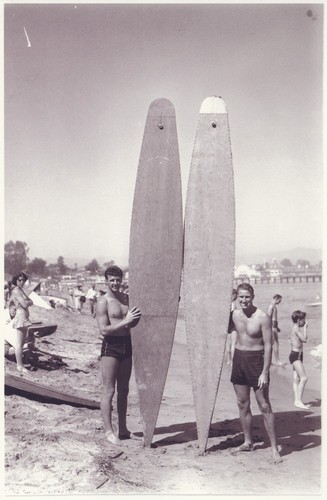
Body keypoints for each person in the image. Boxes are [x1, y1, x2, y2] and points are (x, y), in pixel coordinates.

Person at [231, 283, 282, 463]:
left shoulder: (263, 317)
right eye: (241, 297)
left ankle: (275, 449)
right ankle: (248, 442)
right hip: (239, 359)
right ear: (237, 298)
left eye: (247, 297)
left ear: (253, 297)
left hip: (256, 361)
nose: (244, 300)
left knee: (264, 405)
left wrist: (265, 372)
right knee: (242, 403)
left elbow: (269, 345)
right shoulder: (234, 315)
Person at [96, 265, 141, 446]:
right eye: (112, 280)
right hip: (111, 347)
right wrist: (126, 321)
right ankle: (109, 431)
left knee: (124, 390)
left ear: (122, 280)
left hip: (127, 345)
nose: (115, 283)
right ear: (106, 281)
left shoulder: (126, 299)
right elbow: (104, 329)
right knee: (109, 390)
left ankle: (123, 429)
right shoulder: (103, 301)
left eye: (118, 279)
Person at [8, 272, 34, 374]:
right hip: (20, 316)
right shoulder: (16, 290)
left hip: (24, 316)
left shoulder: (20, 290)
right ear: (16, 280)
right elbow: (25, 304)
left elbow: (31, 301)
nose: (21, 282)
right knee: (19, 344)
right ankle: (20, 366)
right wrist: (27, 302)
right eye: (19, 280)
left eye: (23, 280)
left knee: (22, 342)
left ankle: (21, 363)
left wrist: (27, 302)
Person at [288, 310, 310, 409]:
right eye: (303, 320)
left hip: (297, 354)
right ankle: (298, 401)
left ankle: (297, 400)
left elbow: (289, 338)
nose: (304, 322)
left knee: (296, 378)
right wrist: (305, 328)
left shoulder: (294, 328)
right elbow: (304, 339)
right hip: (295, 355)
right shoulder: (296, 328)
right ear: (298, 320)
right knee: (304, 378)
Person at [267, 294, 283, 365]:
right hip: (272, 327)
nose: (280, 302)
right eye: (280, 300)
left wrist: (277, 327)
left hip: (274, 326)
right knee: (275, 343)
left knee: (273, 343)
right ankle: (277, 361)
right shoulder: (272, 306)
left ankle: (270, 361)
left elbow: (273, 318)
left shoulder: (273, 306)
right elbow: (268, 317)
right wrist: (271, 327)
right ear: (276, 299)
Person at [226, 288, 238, 365]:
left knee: (228, 344)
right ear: (233, 295)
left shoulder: (225, 304)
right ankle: (233, 362)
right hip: (233, 325)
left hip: (227, 325)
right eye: (236, 295)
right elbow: (232, 313)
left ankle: (228, 360)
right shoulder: (232, 304)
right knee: (234, 343)